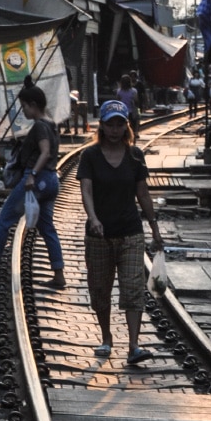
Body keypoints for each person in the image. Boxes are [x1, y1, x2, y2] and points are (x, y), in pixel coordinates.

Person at [77, 98, 163, 366]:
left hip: (130, 232)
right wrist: (93, 218)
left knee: (132, 288)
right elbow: (86, 190)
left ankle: (134, 346)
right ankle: (106, 338)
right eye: (109, 124)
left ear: (126, 126)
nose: (114, 130)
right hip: (99, 235)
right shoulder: (89, 155)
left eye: (119, 124)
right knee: (100, 289)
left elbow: (143, 194)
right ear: (101, 126)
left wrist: (155, 228)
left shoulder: (135, 155)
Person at [0, 84, 66, 289]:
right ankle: (58, 274)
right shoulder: (51, 123)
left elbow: (45, 152)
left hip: (37, 181)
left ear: (33, 105)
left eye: (24, 107)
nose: (23, 111)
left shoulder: (40, 125)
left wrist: (32, 175)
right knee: (47, 227)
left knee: (4, 219)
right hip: (51, 181)